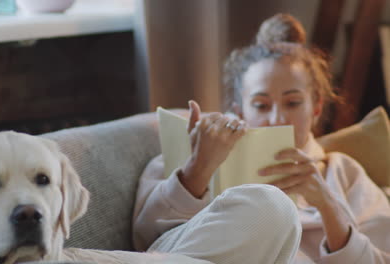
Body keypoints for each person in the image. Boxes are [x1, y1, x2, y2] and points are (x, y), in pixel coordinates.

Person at [133, 13, 390, 263]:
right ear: (239, 111)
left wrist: (328, 206)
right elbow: (146, 242)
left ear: (315, 109)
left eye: (292, 103)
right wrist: (197, 170)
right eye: (261, 105)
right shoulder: (189, 156)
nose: (277, 118)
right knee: (265, 206)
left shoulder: (344, 172)